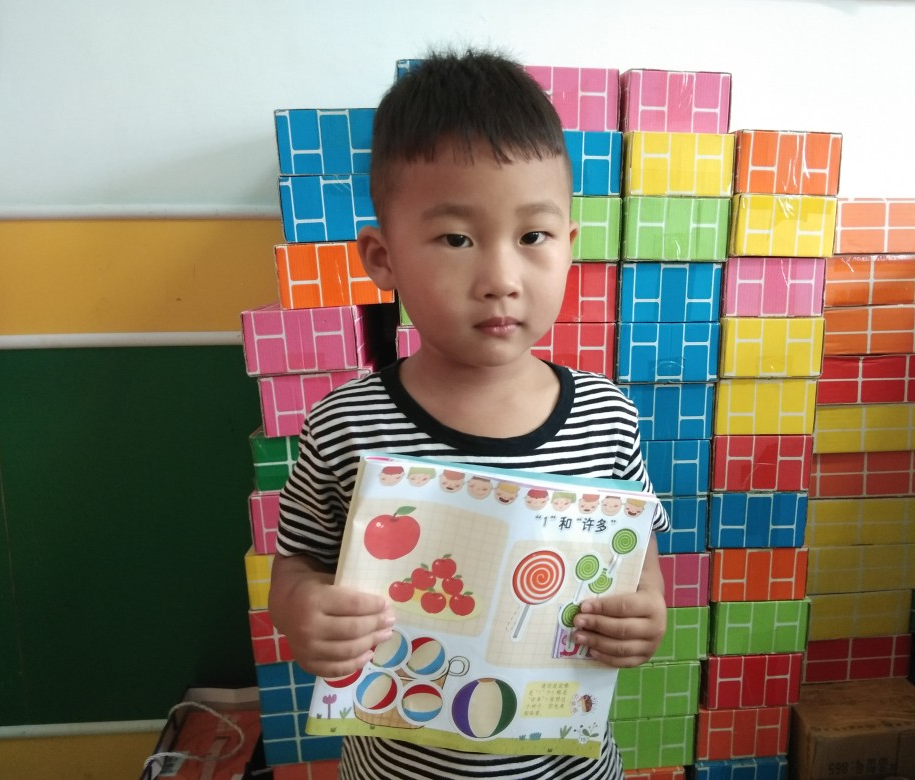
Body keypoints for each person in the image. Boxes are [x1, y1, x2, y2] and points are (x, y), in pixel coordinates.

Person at [269, 48, 670, 780]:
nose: (500, 279)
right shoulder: (346, 424)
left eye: (533, 237)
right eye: (456, 239)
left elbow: (636, 552)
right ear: (383, 258)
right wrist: (303, 615)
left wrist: (647, 611)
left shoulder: (606, 417)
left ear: (569, 248)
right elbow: (297, 561)